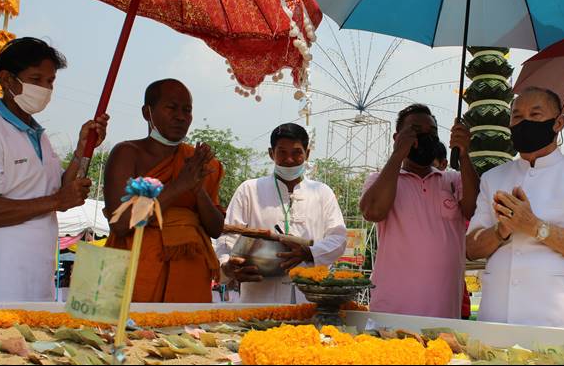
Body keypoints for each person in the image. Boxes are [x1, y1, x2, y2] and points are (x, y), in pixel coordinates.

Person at [466, 87, 564, 330]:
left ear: (558, 123)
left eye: (535, 115)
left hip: (559, 316)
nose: (524, 123)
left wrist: (535, 226)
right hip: (497, 315)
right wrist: (501, 230)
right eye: (517, 117)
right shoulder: (493, 178)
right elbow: (471, 248)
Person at [0, 37, 109, 302]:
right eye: (36, 79)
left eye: (50, 81)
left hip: (39, 275)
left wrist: (81, 151)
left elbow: (60, 193)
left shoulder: (39, 135)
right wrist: (56, 200)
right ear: (7, 79)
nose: (45, 89)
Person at [104, 79, 224, 303]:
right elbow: (120, 223)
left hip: (190, 272)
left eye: (186, 110)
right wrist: (179, 186)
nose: (180, 116)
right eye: (171, 107)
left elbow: (216, 229)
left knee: (188, 336)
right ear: (146, 112)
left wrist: (197, 190)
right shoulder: (128, 153)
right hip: (138, 266)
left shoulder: (199, 163)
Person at [360, 104, 479, 319]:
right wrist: (398, 155)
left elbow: (474, 210)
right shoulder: (380, 179)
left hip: (443, 313)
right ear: (397, 137)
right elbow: (372, 211)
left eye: (432, 133)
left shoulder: (452, 180)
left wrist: (464, 155)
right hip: (391, 312)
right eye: (416, 130)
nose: (425, 137)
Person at [215, 123, 347, 303]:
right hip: (259, 297)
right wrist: (228, 266)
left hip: (309, 296)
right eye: (282, 152)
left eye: (297, 152)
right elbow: (226, 240)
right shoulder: (250, 190)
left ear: (307, 154)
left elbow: (338, 239)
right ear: (271, 153)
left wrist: (308, 253)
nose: (290, 160)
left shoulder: (322, 192)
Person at [432, 141, 471, 320]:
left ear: (443, 165)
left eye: (431, 166)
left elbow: (472, 246)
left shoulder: (454, 184)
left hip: (452, 300)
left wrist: (463, 156)